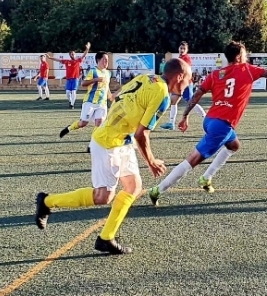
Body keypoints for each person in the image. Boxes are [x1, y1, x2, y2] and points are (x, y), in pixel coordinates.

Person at [34, 58, 192, 254]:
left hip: (122, 140)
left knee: (133, 187)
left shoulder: (147, 77)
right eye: (189, 79)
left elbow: (116, 96)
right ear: (180, 77)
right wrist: (151, 162)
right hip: (108, 142)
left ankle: (106, 238)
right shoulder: (162, 95)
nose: (189, 83)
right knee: (103, 197)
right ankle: (47, 201)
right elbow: (141, 134)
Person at [148, 42, 267, 205]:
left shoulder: (216, 73)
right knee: (192, 160)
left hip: (210, 120)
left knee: (234, 146)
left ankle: (207, 177)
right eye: (245, 54)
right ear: (239, 56)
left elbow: (197, 94)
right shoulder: (248, 69)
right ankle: (157, 190)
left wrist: (185, 115)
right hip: (222, 125)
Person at [59, 51, 114, 151]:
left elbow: (107, 88)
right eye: (104, 59)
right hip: (90, 102)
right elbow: (83, 83)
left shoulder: (108, 73)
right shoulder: (93, 71)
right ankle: (69, 128)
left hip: (102, 103)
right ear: (98, 60)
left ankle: (91, 145)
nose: (107, 61)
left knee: (99, 124)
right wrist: (96, 79)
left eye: (107, 60)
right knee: (83, 123)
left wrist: (111, 96)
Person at [160, 41, 206, 130]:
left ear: (187, 50)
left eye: (184, 48)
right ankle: (171, 123)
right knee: (173, 102)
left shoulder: (186, 58)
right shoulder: (180, 58)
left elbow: (184, 71)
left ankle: (205, 118)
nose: (182, 50)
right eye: (181, 48)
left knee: (191, 102)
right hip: (179, 84)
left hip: (186, 84)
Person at [48, 42, 90, 109]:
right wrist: (50, 58)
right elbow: (58, 60)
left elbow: (84, 55)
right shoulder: (67, 61)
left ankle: (72, 105)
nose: (72, 55)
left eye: (73, 54)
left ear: (75, 55)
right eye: (71, 54)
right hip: (68, 79)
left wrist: (87, 49)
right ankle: (70, 101)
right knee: (67, 92)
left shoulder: (78, 61)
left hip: (75, 79)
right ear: (70, 55)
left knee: (73, 91)